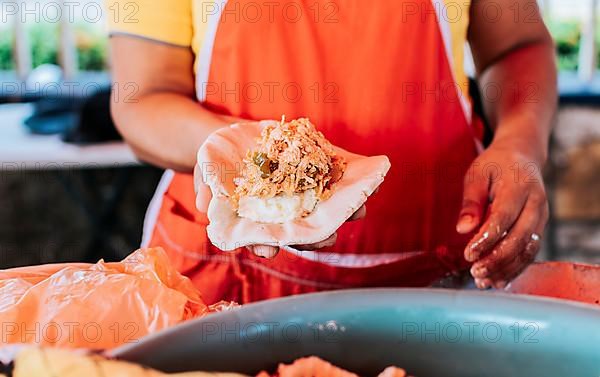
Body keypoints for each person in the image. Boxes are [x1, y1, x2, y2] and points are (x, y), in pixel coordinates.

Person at [108, 0, 557, 304]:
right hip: (232, 278)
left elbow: (517, 46)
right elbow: (142, 97)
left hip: (435, 275)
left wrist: (521, 141)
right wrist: (237, 151)